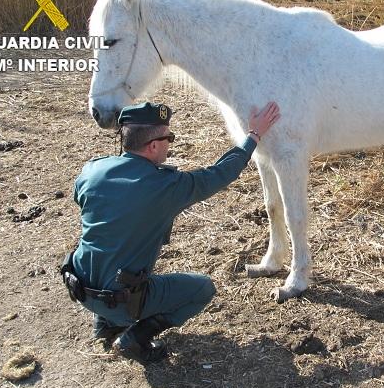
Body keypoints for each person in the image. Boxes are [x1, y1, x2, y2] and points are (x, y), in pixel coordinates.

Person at [62, 100, 280, 363]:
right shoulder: (164, 186)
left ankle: (105, 325)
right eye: (170, 137)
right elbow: (220, 173)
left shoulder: (91, 169)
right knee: (202, 289)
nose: (170, 143)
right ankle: (134, 337)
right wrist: (253, 135)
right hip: (121, 299)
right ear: (153, 145)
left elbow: (84, 204)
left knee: (110, 247)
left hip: (80, 287)